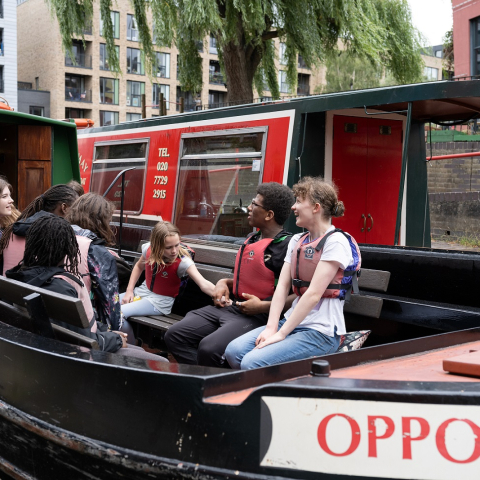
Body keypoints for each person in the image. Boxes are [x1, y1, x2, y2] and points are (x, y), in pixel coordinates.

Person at [225, 176, 361, 370]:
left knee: (251, 362)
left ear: (315, 207)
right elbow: (282, 286)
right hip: (290, 322)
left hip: (321, 332)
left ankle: (269, 397)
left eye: (299, 201)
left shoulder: (336, 242)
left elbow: (313, 294)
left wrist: (280, 334)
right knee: (233, 352)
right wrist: (272, 327)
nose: (293, 207)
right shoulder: (298, 240)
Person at [164, 182, 295, 368]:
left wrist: (262, 306)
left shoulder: (287, 247)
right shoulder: (252, 239)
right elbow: (245, 279)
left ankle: (214, 385)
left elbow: (299, 294)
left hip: (259, 317)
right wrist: (223, 282)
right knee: (174, 335)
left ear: (269, 215)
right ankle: (208, 376)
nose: (249, 208)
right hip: (232, 307)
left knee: (209, 349)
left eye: (254, 204)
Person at [5, 214, 166, 361]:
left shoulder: (18, 275)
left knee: (138, 350)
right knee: (161, 362)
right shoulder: (59, 287)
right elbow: (84, 344)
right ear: (67, 249)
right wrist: (114, 339)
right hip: (81, 359)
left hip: (44, 350)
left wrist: (108, 334)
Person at [120, 221, 216, 344]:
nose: (174, 251)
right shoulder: (148, 248)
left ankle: (131, 349)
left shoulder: (183, 262)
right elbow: (139, 266)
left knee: (118, 314)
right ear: (156, 246)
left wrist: (221, 296)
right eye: (169, 247)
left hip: (160, 302)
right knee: (108, 307)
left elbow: (203, 283)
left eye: (177, 245)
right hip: (143, 292)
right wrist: (129, 291)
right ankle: (129, 342)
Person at [66, 193, 122, 330]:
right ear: (101, 221)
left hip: (63, 318)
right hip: (89, 325)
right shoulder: (97, 252)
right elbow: (111, 306)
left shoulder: (62, 235)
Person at [0, 184, 78, 275]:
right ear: (64, 208)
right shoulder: (62, 235)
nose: (11, 200)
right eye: (75, 210)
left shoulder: (11, 231)